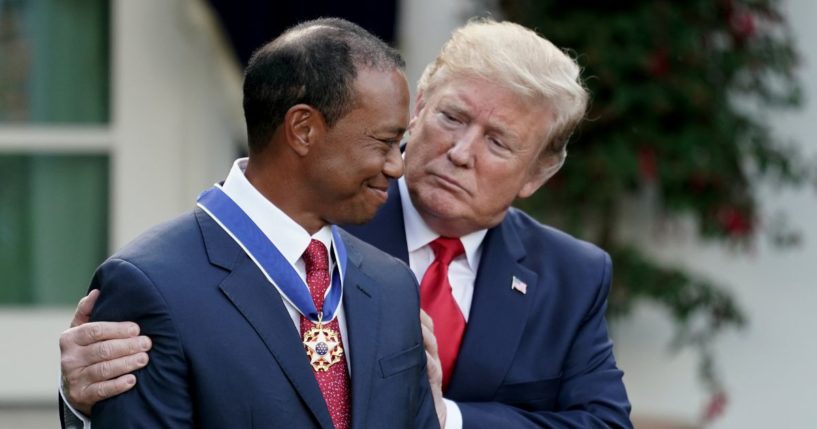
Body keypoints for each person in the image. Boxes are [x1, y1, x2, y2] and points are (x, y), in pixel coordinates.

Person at [60, 19, 633, 428]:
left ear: (538, 173)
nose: (460, 152)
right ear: (418, 107)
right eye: (451, 118)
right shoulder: (305, 221)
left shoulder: (572, 275)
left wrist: (450, 420)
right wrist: (86, 405)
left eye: (499, 142)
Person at [59, 18, 442, 429]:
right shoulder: (151, 286)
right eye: (384, 142)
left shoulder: (393, 285)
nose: (397, 166)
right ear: (303, 129)